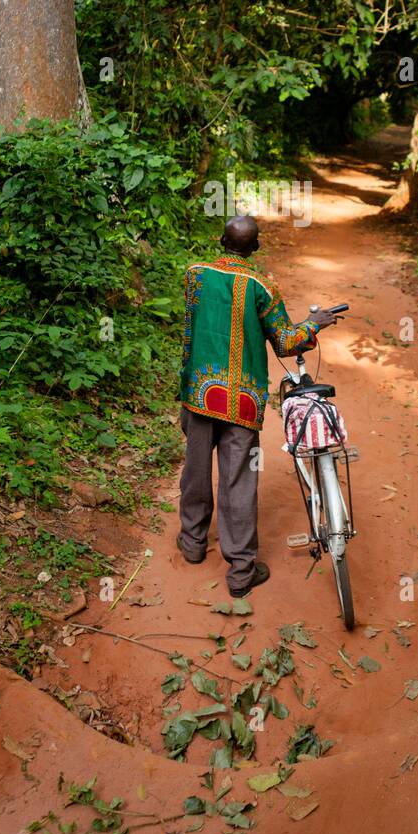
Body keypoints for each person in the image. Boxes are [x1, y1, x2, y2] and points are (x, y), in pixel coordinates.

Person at [177, 215, 338, 595]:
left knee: (195, 470)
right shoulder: (261, 287)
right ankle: (240, 571)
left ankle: (193, 544)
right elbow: (285, 342)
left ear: (220, 240)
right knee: (238, 481)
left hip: (199, 392)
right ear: (257, 247)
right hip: (242, 402)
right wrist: (314, 323)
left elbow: (191, 328)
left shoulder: (195, 274)